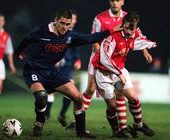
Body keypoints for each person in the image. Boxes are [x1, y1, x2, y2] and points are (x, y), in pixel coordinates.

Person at [16, 9, 111, 137]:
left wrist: (110, 31)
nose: (65, 27)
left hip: (52, 72)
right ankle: (39, 122)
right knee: (41, 96)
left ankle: (81, 132)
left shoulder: (69, 35)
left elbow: (90, 38)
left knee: (78, 97)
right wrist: (18, 53)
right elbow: (26, 39)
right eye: (62, 23)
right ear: (55, 20)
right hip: (34, 69)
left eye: (68, 24)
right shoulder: (41, 30)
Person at [82, 0, 153, 135]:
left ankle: (126, 128)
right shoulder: (100, 18)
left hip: (118, 66)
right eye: (112, 0)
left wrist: (146, 50)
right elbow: (94, 39)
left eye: (117, 0)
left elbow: (138, 36)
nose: (114, 3)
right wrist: (100, 58)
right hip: (102, 63)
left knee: (127, 97)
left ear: (122, 2)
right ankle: (80, 119)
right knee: (93, 90)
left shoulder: (130, 19)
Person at [44, 11, 82, 128]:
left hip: (67, 66)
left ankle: (62, 114)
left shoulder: (73, 35)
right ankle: (46, 114)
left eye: (75, 19)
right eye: (72, 19)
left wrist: (78, 60)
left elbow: (76, 50)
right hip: (55, 65)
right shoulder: (57, 31)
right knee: (50, 90)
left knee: (71, 89)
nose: (73, 21)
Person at [0, 13, 16, 117]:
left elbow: (9, 51)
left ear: (4, 22)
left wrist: (11, 65)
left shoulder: (6, 36)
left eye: (1, 20)